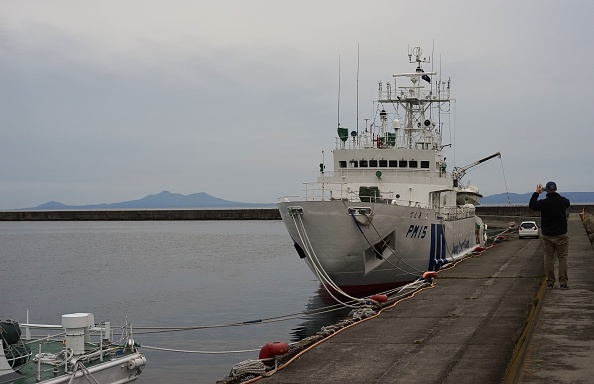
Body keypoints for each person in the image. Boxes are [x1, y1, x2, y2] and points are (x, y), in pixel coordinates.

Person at [529, 181, 571, 289]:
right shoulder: (562, 201)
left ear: (546, 190)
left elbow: (532, 204)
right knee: (563, 259)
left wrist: (537, 193)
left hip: (547, 235)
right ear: (556, 189)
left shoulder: (543, 203)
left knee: (548, 258)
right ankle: (563, 283)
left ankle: (550, 282)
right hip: (561, 234)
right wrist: (554, 194)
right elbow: (567, 202)